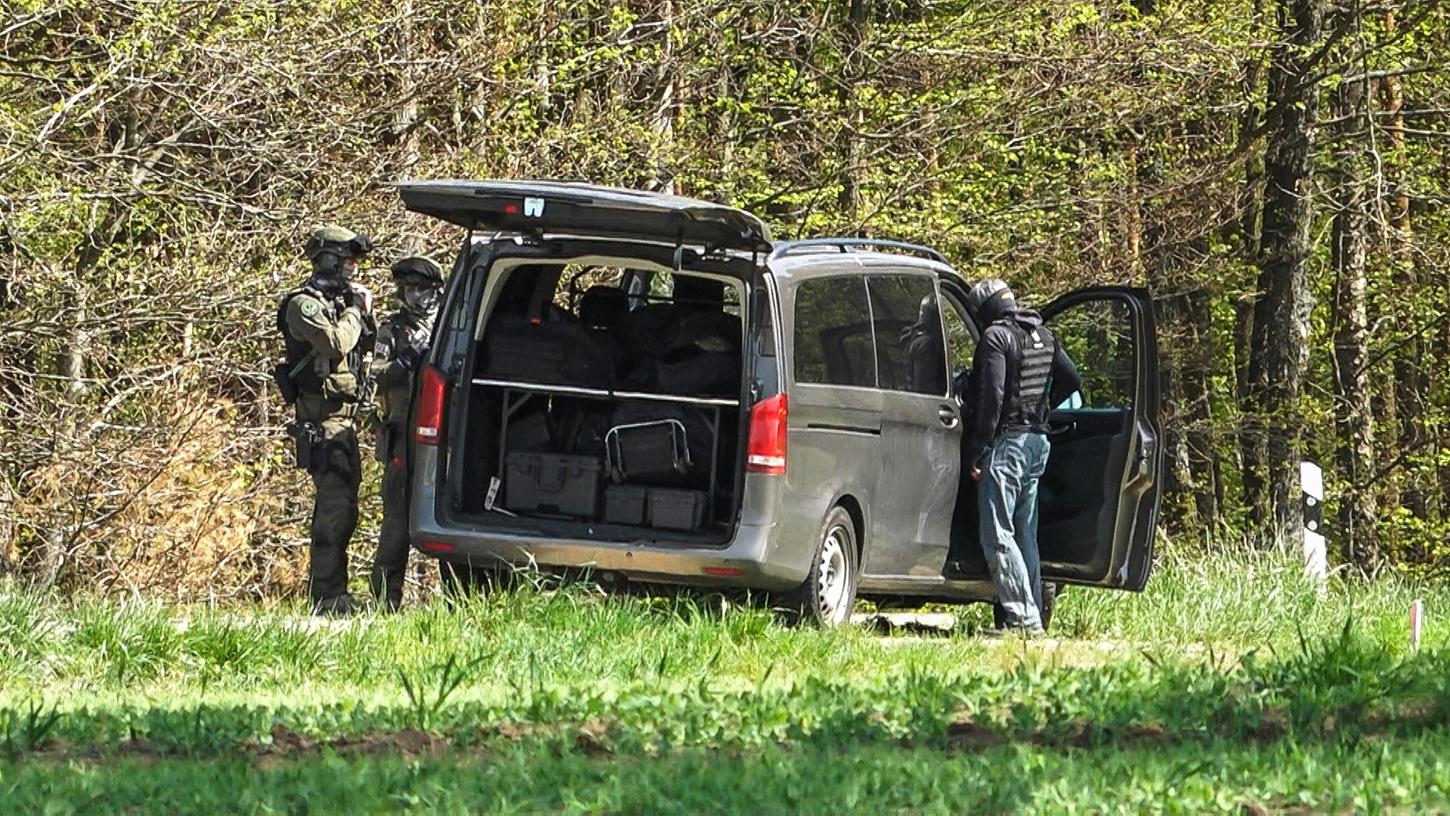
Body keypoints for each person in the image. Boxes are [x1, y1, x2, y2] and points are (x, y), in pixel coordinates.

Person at [962, 278, 1080, 634]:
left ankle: (1022, 618)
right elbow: (1070, 379)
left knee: (997, 534)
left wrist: (978, 450)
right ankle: (1034, 616)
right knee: (1025, 532)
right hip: (1037, 444)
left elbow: (992, 398)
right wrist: (1040, 411)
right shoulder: (1043, 334)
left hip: (1007, 445)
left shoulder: (996, 337)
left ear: (984, 311)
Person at [276, 224, 375, 617]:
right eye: (348, 260)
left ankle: (336, 593)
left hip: (344, 420)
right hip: (322, 420)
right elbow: (334, 343)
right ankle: (328, 598)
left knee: (347, 508)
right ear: (329, 259)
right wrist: (355, 309)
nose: (353, 269)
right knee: (333, 511)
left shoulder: (338, 301)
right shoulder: (304, 304)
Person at [368, 255, 445, 611]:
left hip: (441, 436)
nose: (415, 297)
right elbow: (376, 374)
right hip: (400, 433)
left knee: (448, 516)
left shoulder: (450, 325)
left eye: (422, 290)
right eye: (409, 289)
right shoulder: (392, 330)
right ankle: (386, 600)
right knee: (396, 520)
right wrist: (404, 361)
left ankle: (460, 601)